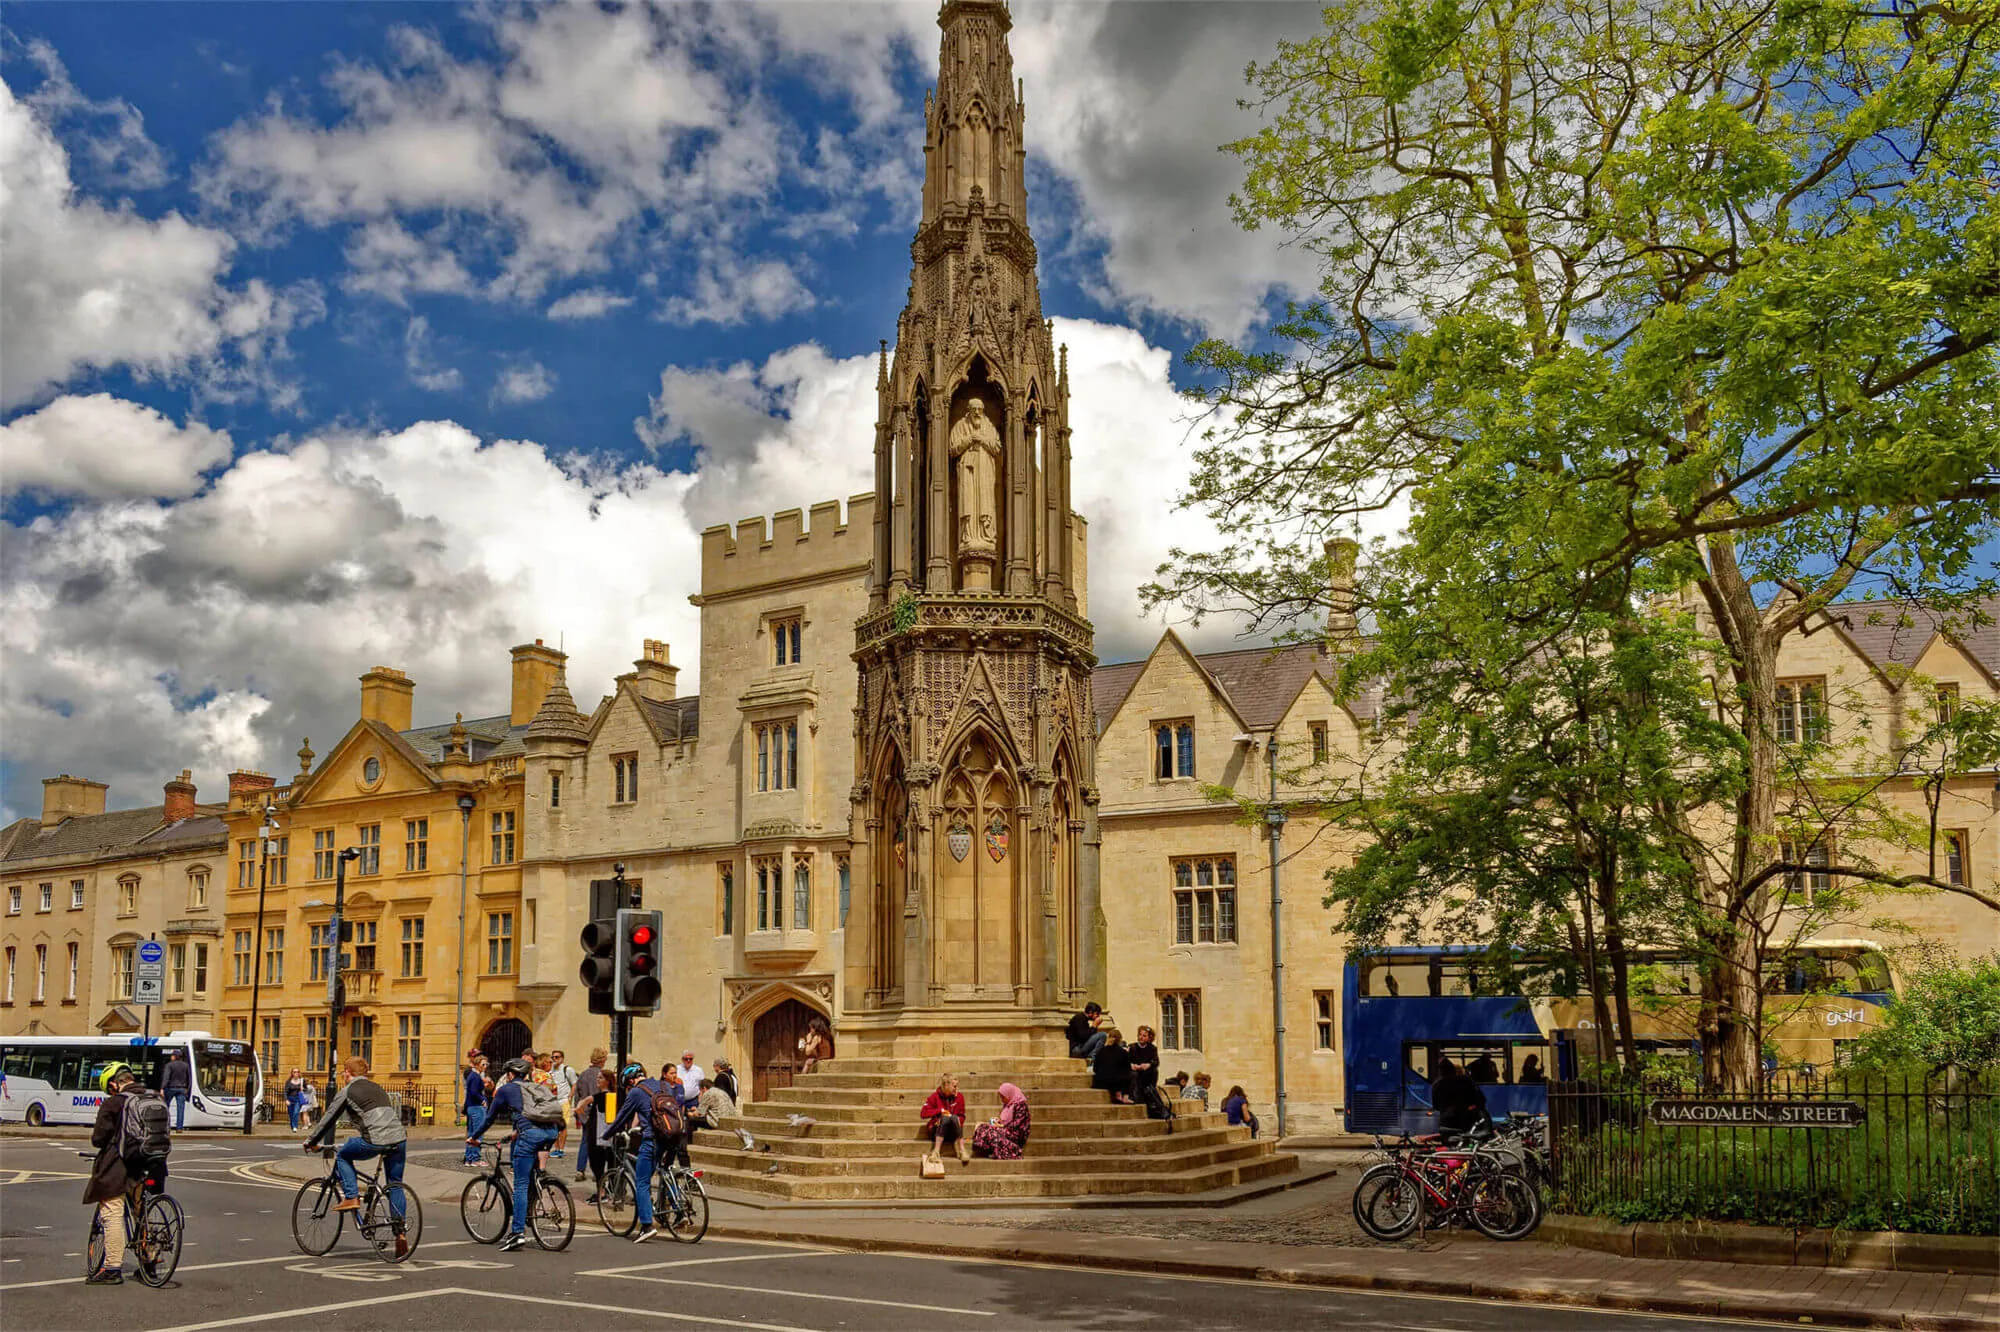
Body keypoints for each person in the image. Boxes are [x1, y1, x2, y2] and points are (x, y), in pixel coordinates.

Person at [303, 1055, 411, 1258]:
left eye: (343, 1072)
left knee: (343, 1154)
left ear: (347, 1072)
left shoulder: (347, 1091)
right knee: (395, 1185)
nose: (342, 1075)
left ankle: (351, 1197)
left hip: (375, 1139)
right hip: (399, 1138)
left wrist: (311, 1141)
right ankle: (400, 1233)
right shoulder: (377, 1088)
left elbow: (329, 1118)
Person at [82, 1063, 169, 1285]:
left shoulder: (114, 1103)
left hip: (122, 1166)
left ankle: (112, 1268)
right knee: (142, 1212)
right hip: (153, 1162)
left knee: (112, 1210)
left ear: (114, 1084)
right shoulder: (154, 1097)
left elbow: (99, 1139)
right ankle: (149, 1263)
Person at [466, 1057, 554, 1253]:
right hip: (551, 1133)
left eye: (507, 1074)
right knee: (531, 1175)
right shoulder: (534, 1087)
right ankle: (533, 1205)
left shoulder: (506, 1090)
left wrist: (474, 1137)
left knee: (520, 1184)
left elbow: (489, 1119)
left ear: (511, 1074)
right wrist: (515, 1133)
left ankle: (517, 1234)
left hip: (530, 1135)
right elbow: (528, 1114)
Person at [607, 1062, 682, 1243]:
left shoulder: (636, 1092)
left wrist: (607, 1135)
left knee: (642, 1182)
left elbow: (622, 1117)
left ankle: (647, 1226)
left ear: (630, 1081)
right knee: (665, 1171)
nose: (628, 1089)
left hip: (652, 1139)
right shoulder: (662, 1085)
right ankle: (679, 1211)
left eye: (627, 1085)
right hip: (674, 1135)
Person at [570, 1048, 609, 1185]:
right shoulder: (601, 1075)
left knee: (585, 1141)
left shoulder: (583, 1074)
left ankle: (580, 1170)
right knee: (600, 1143)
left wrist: (578, 1113)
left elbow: (577, 1095)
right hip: (597, 1113)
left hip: (584, 1112)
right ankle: (597, 1171)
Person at [692, 1077, 758, 1151]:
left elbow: (698, 1114)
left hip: (718, 1122)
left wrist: (691, 1112)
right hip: (729, 1119)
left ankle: (690, 1143)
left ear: (704, 1088)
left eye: (700, 1090)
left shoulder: (708, 1093)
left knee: (692, 1120)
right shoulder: (721, 1091)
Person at [969, 1083, 1030, 1160]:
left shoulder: (1021, 1105)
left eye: (1003, 1097)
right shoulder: (1008, 1104)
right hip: (1006, 1130)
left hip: (1015, 1135)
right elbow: (1005, 1120)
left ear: (1009, 1094)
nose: (1002, 1099)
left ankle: (1012, 1149)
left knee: (988, 1131)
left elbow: (1017, 1125)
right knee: (981, 1126)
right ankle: (986, 1149)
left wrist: (1001, 1126)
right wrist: (999, 1121)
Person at [1430, 1059, 1492, 1136]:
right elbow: (1481, 1100)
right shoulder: (1465, 1080)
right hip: (1464, 1122)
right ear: (1453, 1069)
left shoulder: (1437, 1084)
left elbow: (1436, 1106)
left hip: (1445, 1123)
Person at [921, 1074, 969, 1164]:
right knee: (945, 1118)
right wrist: (940, 1111)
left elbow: (962, 1116)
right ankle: (936, 1152)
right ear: (946, 1085)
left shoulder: (959, 1097)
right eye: (954, 1086)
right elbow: (923, 1113)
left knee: (954, 1117)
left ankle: (962, 1150)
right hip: (937, 1131)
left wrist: (957, 1120)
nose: (956, 1088)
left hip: (953, 1131)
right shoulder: (935, 1096)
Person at [461, 1052, 490, 1165]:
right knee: (477, 1134)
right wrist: (482, 1100)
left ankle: (469, 1158)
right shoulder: (475, 1076)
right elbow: (474, 1092)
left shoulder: (473, 1076)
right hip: (477, 1107)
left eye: (486, 1064)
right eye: (483, 1064)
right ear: (477, 1064)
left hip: (471, 1107)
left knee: (471, 1134)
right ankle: (475, 1159)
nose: (485, 1066)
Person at [1092, 1029, 1134, 1104]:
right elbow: (1127, 1069)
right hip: (1115, 1083)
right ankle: (1125, 1097)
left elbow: (1095, 1068)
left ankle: (1119, 1094)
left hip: (1100, 1082)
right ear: (1120, 1039)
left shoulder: (1101, 1051)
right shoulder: (1123, 1052)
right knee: (1130, 1075)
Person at [547, 1050, 576, 1160]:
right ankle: (556, 1148)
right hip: (553, 1101)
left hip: (563, 1100)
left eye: (557, 1057)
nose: (555, 1059)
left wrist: (570, 1097)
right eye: (553, 1057)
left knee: (562, 1126)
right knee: (553, 1125)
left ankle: (561, 1149)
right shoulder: (550, 1070)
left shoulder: (567, 1070)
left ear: (562, 1058)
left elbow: (574, 1084)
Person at [1128, 1026, 1163, 1114]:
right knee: (1133, 1074)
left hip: (1146, 1072)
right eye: (1140, 1035)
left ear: (1148, 1038)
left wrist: (1149, 1064)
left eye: (1144, 1036)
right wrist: (1131, 1065)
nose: (1141, 1037)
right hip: (1135, 1071)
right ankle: (1134, 1096)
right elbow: (1126, 1060)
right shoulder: (1132, 1047)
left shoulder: (1152, 1048)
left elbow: (1156, 1061)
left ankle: (1150, 1092)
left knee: (1154, 1071)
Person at [161, 1051, 193, 1130]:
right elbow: (189, 1078)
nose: (171, 1057)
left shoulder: (169, 1065)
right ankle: (179, 1128)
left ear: (174, 1056)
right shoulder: (186, 1065)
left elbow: (166, 1077)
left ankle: (166, 1126)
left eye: (172, 1055)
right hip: (182, 1089)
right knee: (180, 1109)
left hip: (170, 1088)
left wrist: (162, 1088)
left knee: (166, 1107)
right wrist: (187, 1089)